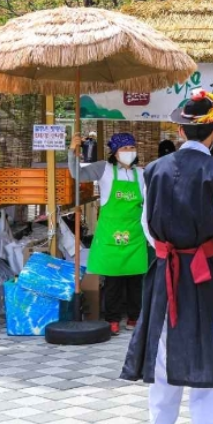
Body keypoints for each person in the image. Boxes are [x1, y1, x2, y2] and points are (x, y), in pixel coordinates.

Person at [122, 90, 213, 424]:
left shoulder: (153, 170)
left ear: (181, 131)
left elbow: (148, 227)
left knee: (163, 344)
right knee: (208, 346)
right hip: (200, 270)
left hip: (165, 268)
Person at [69, 132, 150, 337]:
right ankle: (112, 319)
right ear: (114, 153)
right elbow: (76, 173)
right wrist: (72, 150)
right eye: (124, 149)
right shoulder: (103, 169)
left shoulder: (142, 174)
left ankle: (134, 317)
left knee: (135, 280)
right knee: (113, 280)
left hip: (135, 234)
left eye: (132, 148)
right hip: (110, 233)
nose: (129, 152)